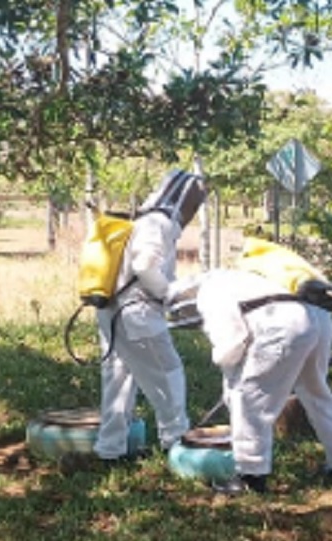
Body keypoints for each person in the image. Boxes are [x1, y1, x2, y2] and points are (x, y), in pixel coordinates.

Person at [166, 266, 332, 495]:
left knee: (250, 399)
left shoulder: (209, 293)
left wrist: (231, 385)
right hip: (318, 318)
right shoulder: (236, 277)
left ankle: (250, 476)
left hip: (286, 324)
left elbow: (231, 345)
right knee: (315, 391)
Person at [93, 169, 205, 462]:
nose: (192, 211)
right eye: (193, 203)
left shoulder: (143, 220)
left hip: (112, 312)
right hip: (137, 314)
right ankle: (177, 447)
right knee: (168, 376)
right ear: (180, 198)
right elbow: (144, 267)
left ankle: (110, 450)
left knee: (118, 381)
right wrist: (169, 295)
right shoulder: (158, 223)